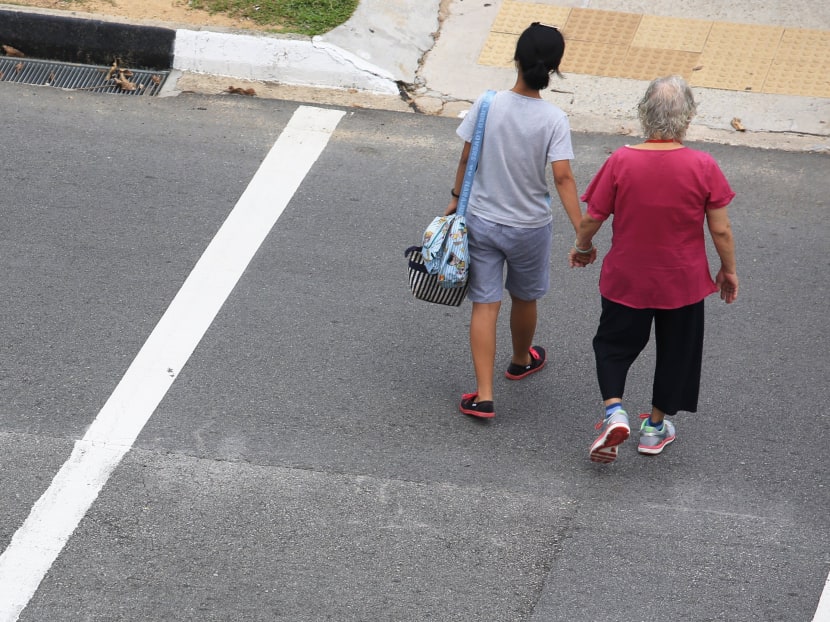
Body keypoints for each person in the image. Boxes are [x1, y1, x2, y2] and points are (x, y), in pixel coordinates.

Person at [569, 75, 739, 463]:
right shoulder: (702, 164)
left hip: (627, 278)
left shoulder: (621, 160)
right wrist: (727, 270)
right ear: (688, 117)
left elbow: (593, 217)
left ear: (644, 112)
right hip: (682, 280)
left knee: (612, 345)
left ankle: (615, 411)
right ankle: (655, 428)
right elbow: (721, 228)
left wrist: (582, 248)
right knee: (677, 351)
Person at [446, 22, 583, 419]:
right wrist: (582, 231)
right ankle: (521, 359)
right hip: (529, 227)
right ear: (555, 68)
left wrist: (455, 200)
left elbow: (465, 157)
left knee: (485, 305)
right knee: (524, 297)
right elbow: (562, 177)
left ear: (516, 59)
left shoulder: (487, 104)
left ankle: (484, 395)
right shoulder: (554, 119)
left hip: (482, 220)